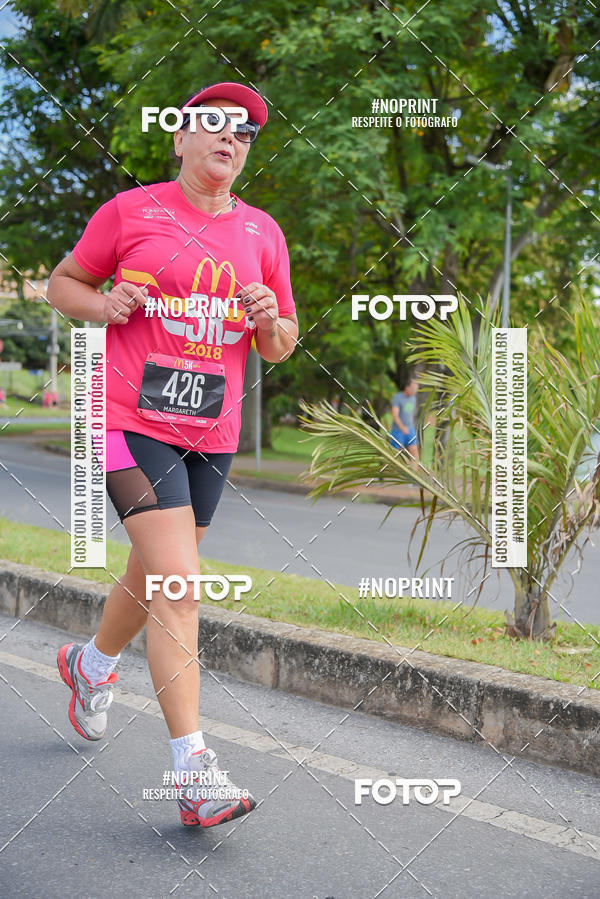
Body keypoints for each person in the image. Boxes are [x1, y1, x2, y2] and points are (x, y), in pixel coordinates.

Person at [47, 82, 299, 828]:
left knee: (154, 570)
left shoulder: (262, 233)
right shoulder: (131, 212)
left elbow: (282, 344)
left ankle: (91, 664)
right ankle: (193, 771)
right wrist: (104, 306)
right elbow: (64, 283)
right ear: (181, 137)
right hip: (128, 417)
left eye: (245, 132)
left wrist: (269, 322)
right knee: (180, 585)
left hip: (210, 433)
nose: (231, 137)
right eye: (214, 124)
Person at [390, 378, 419, 460]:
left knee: (414, 453)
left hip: (410, 429)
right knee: (395, 454)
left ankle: (414, 469)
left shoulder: (413, 398)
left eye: (416, 389)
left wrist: (409, 428)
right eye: (413, 389)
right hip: (398, 430)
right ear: (407, 387)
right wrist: (402, 428)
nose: (414, 391)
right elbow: (395, 415)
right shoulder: (397, 397)